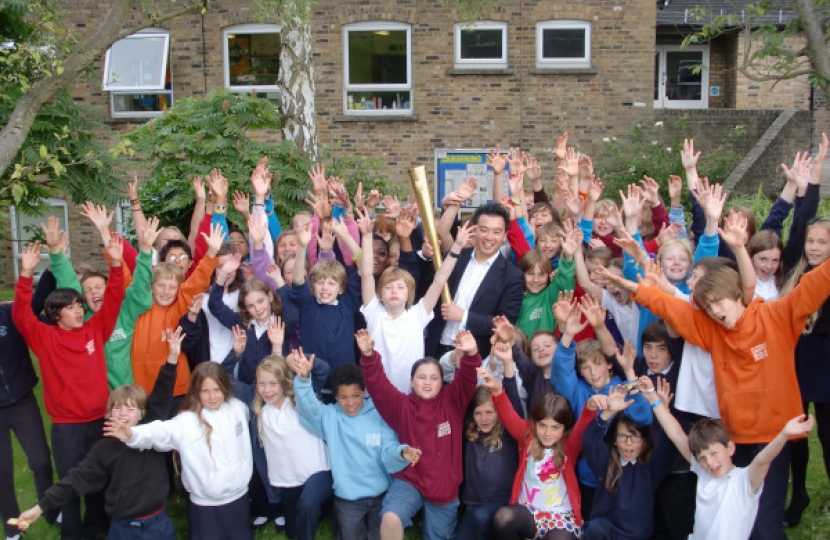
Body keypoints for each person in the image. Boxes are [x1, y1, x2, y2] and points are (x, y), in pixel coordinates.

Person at [629, 253, 830, 540]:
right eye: (708, 307)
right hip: (734, 439)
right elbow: (673, 308)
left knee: (764, 526)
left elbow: (814, 285)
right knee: (742, 523)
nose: (715, 311)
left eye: (718, 303)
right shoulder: (714, 330)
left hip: (773, 436)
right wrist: (634, 286)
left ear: (736, 295)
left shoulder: (777, 315)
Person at [15, 328, 186, 539]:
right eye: (118, 408)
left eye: (130, 408)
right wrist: (40, 507)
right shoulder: (105, 448)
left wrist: (172, 358)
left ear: (142, 413)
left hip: (157, 524)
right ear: (109, 412)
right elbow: (77, 479)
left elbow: (162, 392)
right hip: (122, 528)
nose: (123, 413)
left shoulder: (150, 431)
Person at [12, 233, 125, 540]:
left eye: (79, 305)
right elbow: (21, 315)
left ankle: (99, 530)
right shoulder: (46, 338)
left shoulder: (94, 330)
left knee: (100, 482)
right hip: (67, 429)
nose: (79, 310)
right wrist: (25, 274)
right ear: (55, 314)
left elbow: (114, 300)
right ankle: (72, 533)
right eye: (72, 307)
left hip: (99, 421)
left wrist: (116, 265)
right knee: (71, 486)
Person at [640, 377, 815, 540]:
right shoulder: (703, 471)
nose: (710, 462)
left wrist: (784, 435)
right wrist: (653, 398)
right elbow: (676, 433)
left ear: (730, 448)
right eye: (702, 458)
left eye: (714, 453)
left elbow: (762, 460)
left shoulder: (744, 481)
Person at [106, 362, 254, 540]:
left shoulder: (239, 409)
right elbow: (157, 432)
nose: (212, 396)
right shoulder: (185, 422)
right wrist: (132, 434)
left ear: (226, 388)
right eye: (205, 391)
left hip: (239, 497)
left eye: (217, 389)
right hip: (205, 505)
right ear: (196, 392)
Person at [359, 328, 478, 540]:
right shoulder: (401, 406)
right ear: (412, 381)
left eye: (434, 378)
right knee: (390, 518)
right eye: (421, 377)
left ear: (442, 382)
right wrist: (369, 356)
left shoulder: (452, 402)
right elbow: (379, 386)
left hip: (443, 487)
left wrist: (471, 353)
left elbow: (468, 378)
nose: (427, 382)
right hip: (409, 479)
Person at [223, 322, 332, 540]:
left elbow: (323, 370)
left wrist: (293, 358)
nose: (267, 390)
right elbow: (223, 379)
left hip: (318, 471)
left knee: (308, 503)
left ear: (283, 382)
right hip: (287, 480)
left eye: (273, 384)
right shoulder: (257, 403)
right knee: (294, 530)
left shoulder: (300, 397)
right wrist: (235, 354)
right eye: (262, 384)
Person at [290, 360, 419, 540]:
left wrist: (401, 452)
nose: (350, 403)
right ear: (335, 396)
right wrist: (303, 380)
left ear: (364, 392)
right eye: (343, 397)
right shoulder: (330, 416)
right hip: (348, 499)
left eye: (356, 395)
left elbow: (389, 447)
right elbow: (309, 408)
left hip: (380, 495)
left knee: (379, 535)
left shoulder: (378, 414)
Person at [359, 208, 471, 392]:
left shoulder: (418, 314)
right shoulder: (373, 312)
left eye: (400, 287)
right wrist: (366, 235)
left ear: (409, 294)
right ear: (380, 294)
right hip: (376, 397)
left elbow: (439, 280)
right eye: (388, 287)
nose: (394, 291)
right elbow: (366, 274)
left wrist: (457, 247)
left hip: (411, 397)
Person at [130, 223, 224, 401]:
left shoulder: (180, 303)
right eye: (161, 286)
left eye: (172, 287)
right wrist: (145, 248)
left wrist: (211, 252)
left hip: (177, 388)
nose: (166, 292)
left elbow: (197, 281)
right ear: (151, 287)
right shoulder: (139, 306)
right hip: (141, 387)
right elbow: (136, 278)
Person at [425, 202, 525, 359]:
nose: (489, 237)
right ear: (475, 230)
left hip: (475, 356)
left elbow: (505, 323)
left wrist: (464, 316)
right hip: (436, 348)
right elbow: (428, 287)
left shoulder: (512, 276)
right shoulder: (455, 258)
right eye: (483, 230)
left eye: (497, 232)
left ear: (505, 236)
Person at [581, 386, 674, 540]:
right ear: (615, 440)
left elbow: (667, 442)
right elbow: (590, 440)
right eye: (622, 436)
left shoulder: (651, 466)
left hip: (638, 537)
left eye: (635, 437)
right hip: (606, 533)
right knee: (595, 529)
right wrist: (609, 411)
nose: (628, 443)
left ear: (644, 442)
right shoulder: (605, 461)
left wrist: (663, 411)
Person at [0, 299, 55, 540]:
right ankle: (12, 528)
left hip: (22, 399)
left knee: (41, 460)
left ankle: (50, 509)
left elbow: (39, 312)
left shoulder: (11, 313)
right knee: (2, 470)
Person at [455, 385, 519, 540]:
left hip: (503, 504)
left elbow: (513, 403)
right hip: (473, 506)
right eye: (478, 413)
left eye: (489, 412)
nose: (484, 419)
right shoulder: (469, 434)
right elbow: (460, 393)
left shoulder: (508, 433)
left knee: (482, 517)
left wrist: (508, 367)